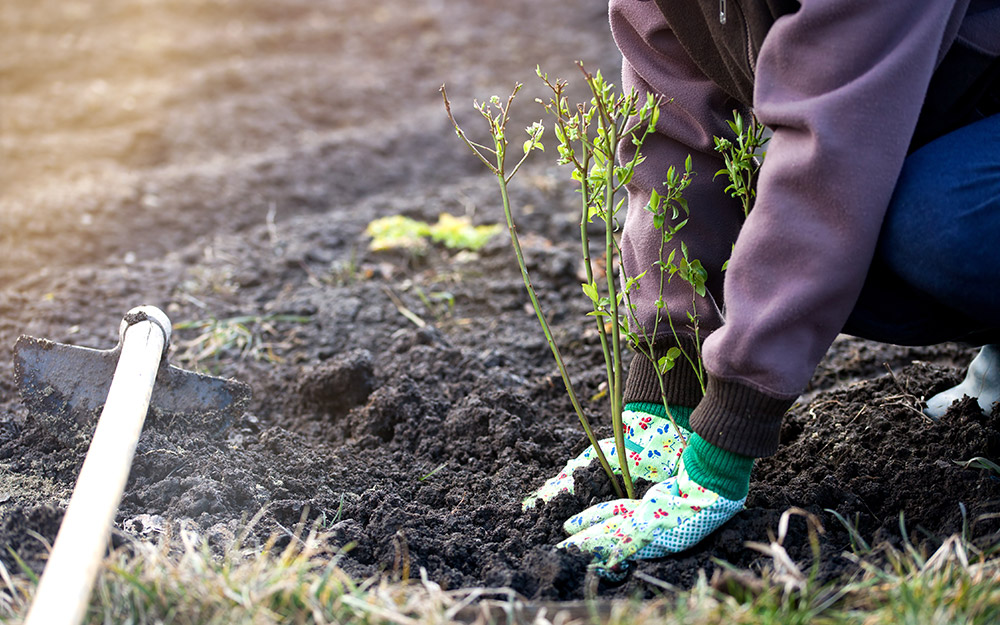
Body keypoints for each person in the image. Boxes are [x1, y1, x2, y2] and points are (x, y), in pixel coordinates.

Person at [523, 0, 1000, 577]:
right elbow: (674, 125)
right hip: (935, 109)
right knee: (772, 213)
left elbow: (831, 159)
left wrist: (727, 439)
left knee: (932, 223)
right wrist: (663, 382)